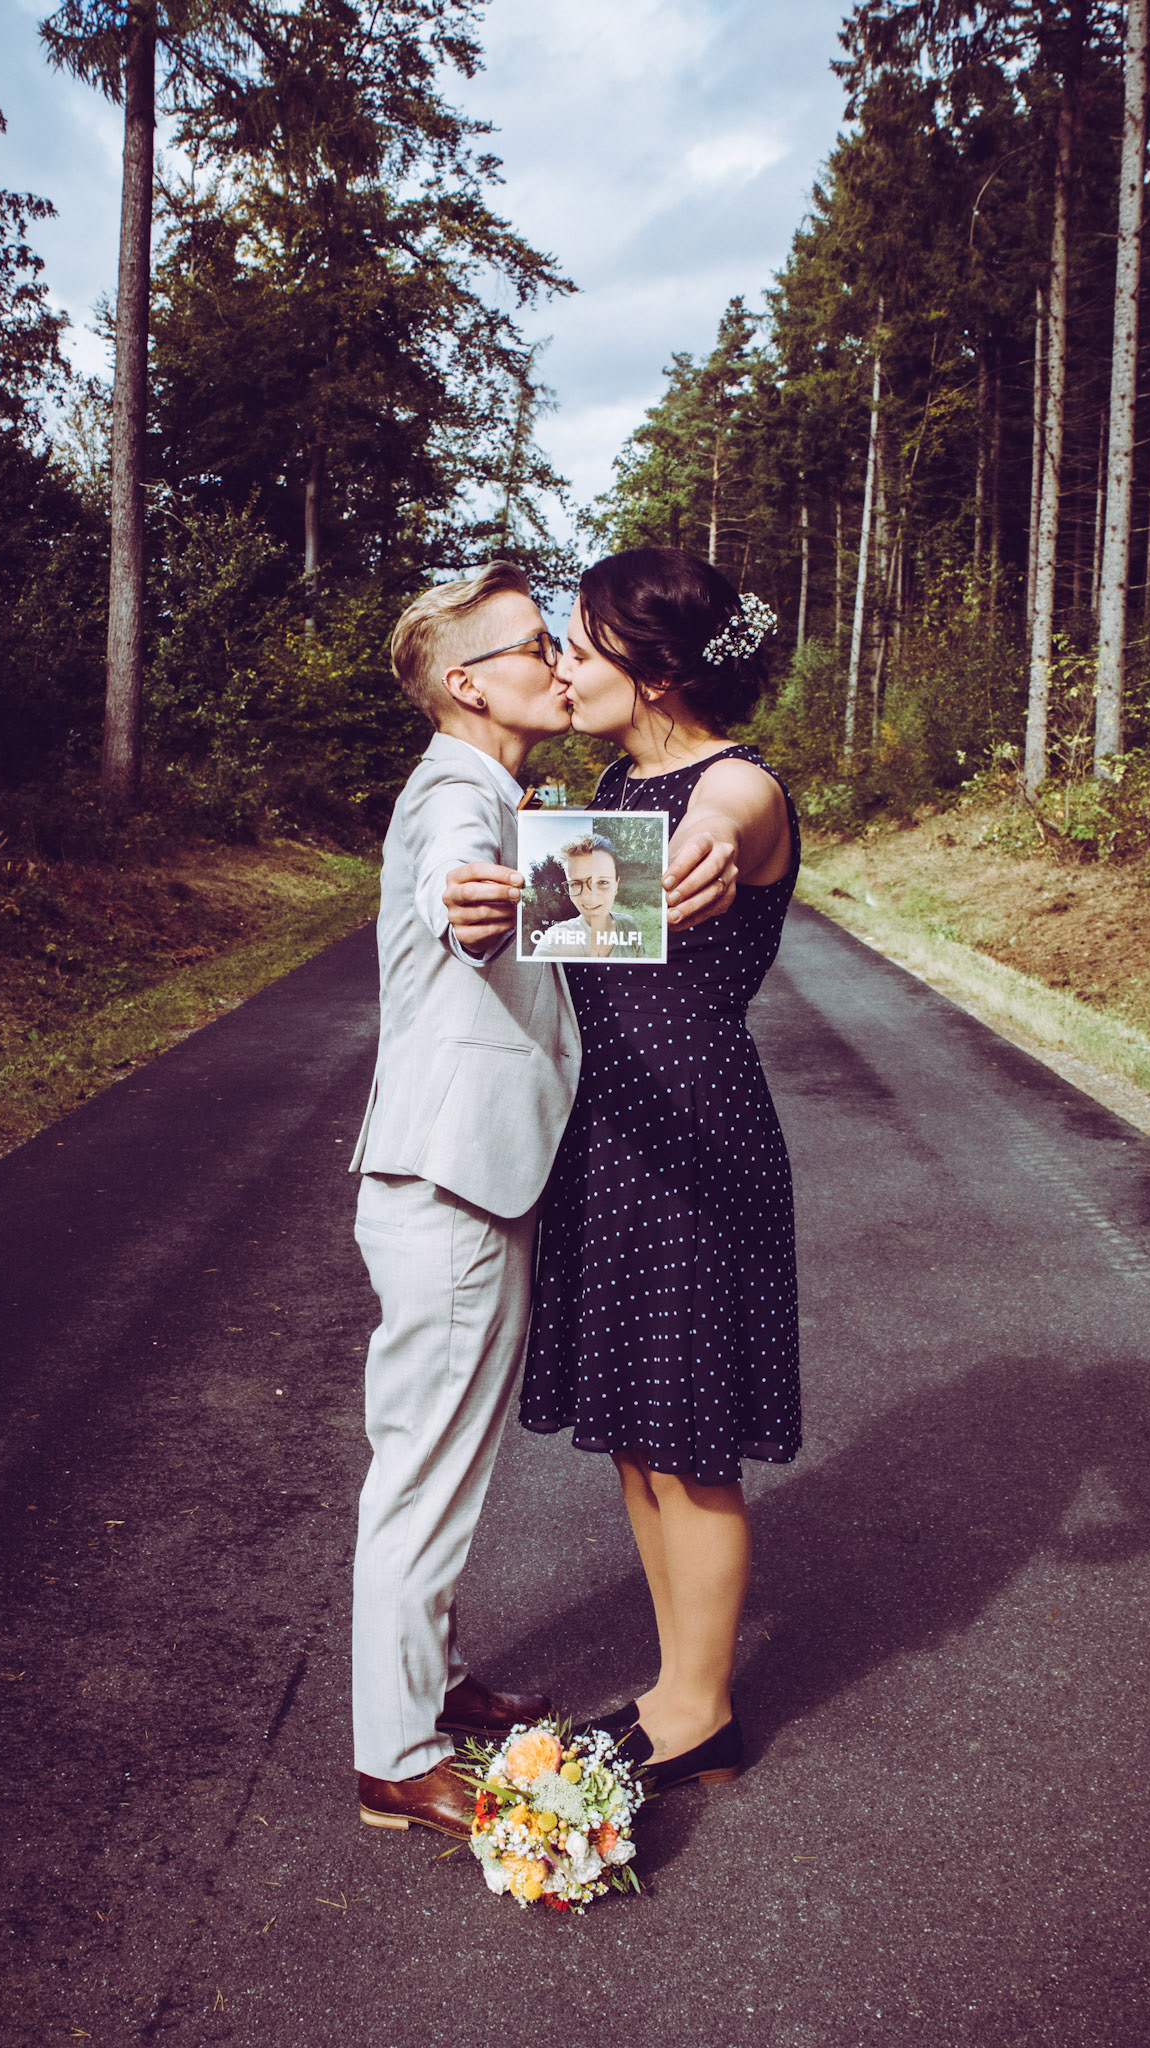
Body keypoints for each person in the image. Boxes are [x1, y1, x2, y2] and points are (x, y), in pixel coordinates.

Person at [446, 546, 800, 1796]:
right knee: (641, 1437)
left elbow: (727, 818)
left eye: (581, 647)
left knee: (689, 1438)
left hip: (695, 1139)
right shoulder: (611, 785)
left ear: (653, 670)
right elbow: (569, 932)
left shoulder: (735, 786)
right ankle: (673, 1684)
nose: (563, 665)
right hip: (608, 1137)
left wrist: (705, 837)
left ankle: (701, 1711)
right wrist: (491, 913)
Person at [348, 561, 582, 1841]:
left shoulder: (498, 791)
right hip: (449, 1188)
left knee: (442, 1457)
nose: (558, 661)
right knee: (424, 1470)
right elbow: (462, 891)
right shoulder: (457, 795)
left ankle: (431, 1680)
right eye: (535, 643)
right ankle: (396, 1755)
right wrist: (472, 908)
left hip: (462, 1179)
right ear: (468, 683)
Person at [531, 832, 647, 959]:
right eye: (575, 883)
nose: (588, 896)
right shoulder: (555, 939)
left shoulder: (629, 926)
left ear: (616, 885)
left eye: (602, 882)